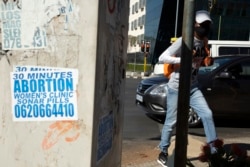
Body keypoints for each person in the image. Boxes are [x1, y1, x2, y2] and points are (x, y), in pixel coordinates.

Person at [157, 10, 218, 167]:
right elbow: (162, 57)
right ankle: (163, 150)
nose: (205, 27)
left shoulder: (204, 41)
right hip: (176, 87)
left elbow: (202, 61)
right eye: (202, 25)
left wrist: (207, 61)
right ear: (194, 25)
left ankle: (213, 150)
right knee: (171, 121)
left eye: (207, 25)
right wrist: (183, 57)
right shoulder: (184, 40)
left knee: (207, 114)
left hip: (193, 86)